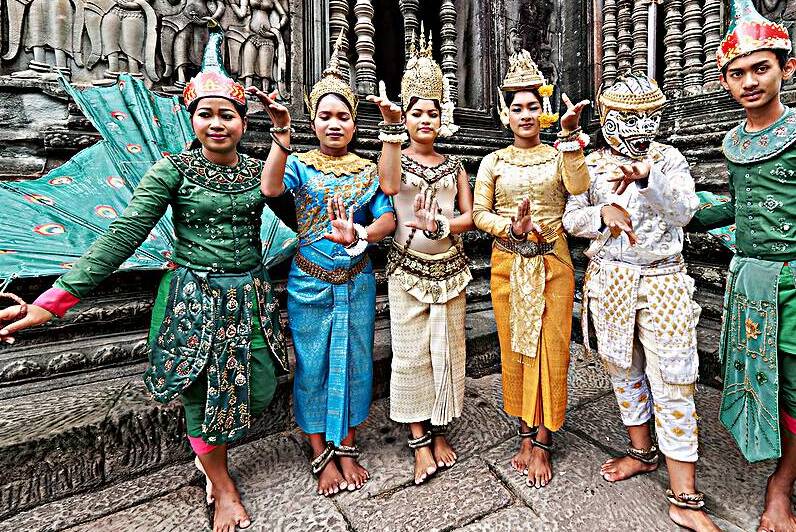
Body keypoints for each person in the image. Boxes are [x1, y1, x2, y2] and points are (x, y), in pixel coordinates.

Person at [0, 28, 288, 532]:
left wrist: (284, 143)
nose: (216, 123)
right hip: (194, 300)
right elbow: (122, 235)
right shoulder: (171, 170)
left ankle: (209, 459)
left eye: (227, 113)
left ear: (244, 122)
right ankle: (219, 483)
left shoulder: (256, 173)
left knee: (259, 387)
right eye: (205, 113)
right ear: (191, 118)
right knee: (202, 394)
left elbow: (291, 209)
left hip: (251, 297)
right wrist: (51, 302)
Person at [562, 71, 719, 532]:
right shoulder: (590, 164)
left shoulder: (668, 160)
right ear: (606, 119)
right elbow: (572, 218)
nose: (634, 128)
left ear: (657, 119)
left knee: (674, 377)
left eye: (644, 118)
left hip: (663, 278)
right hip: (611, 279)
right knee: (622, 368)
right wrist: (602, 214)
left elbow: (686, 212)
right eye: (623, 118)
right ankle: (641, 451)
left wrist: (648, 178)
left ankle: (685, 497)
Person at [253, 33, 399, 497]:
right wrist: (280, 138)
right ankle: (319, 448)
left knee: (357, 361)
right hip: (308, 282)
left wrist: (361, 233)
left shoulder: (367, 170)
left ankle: (348, 441)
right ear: (313, 121)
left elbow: (389, 216)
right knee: (312, 364)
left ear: (355, 122)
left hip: (356, 280)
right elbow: (271, 189)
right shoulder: (299, 164)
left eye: (343, 116)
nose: (334, 124)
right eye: (325, 116)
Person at [688, 1, 796, 530]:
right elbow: (738, 205)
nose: (749, 81)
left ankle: (781, 485)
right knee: (764, 380)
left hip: (794, 282)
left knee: (795, 386)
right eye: (737, 73)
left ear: (786, 68)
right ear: (725, 80)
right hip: (750, 282)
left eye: (762, 68)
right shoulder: (732, 143)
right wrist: (676, 206)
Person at [472, 49, 589, 489]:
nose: (526, 114)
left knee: (552, 346)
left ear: (545, 110)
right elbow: (480, 213)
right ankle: (524, 431)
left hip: (554, 261)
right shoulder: (493, 162)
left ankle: (543, 440)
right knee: (516, 348)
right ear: (505, 113)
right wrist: (512, 227)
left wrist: (573, 140)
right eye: (517, 107)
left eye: (533, 106)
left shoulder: (559, 155)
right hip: (509, 261)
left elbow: (579, 187)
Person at [377, 32, 474, 485]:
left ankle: (438, 429)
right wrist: (393, 132)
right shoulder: (396, 154)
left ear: (443, 115)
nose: (425, 119)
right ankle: (418, 441)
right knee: (411, 355)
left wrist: (443, 227)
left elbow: (469, 217)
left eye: (432, 111)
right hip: (407, 270)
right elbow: (392, 188)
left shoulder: (454, 165)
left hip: (450, 268)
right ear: (406, 114)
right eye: (416, 111)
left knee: (445, 353)